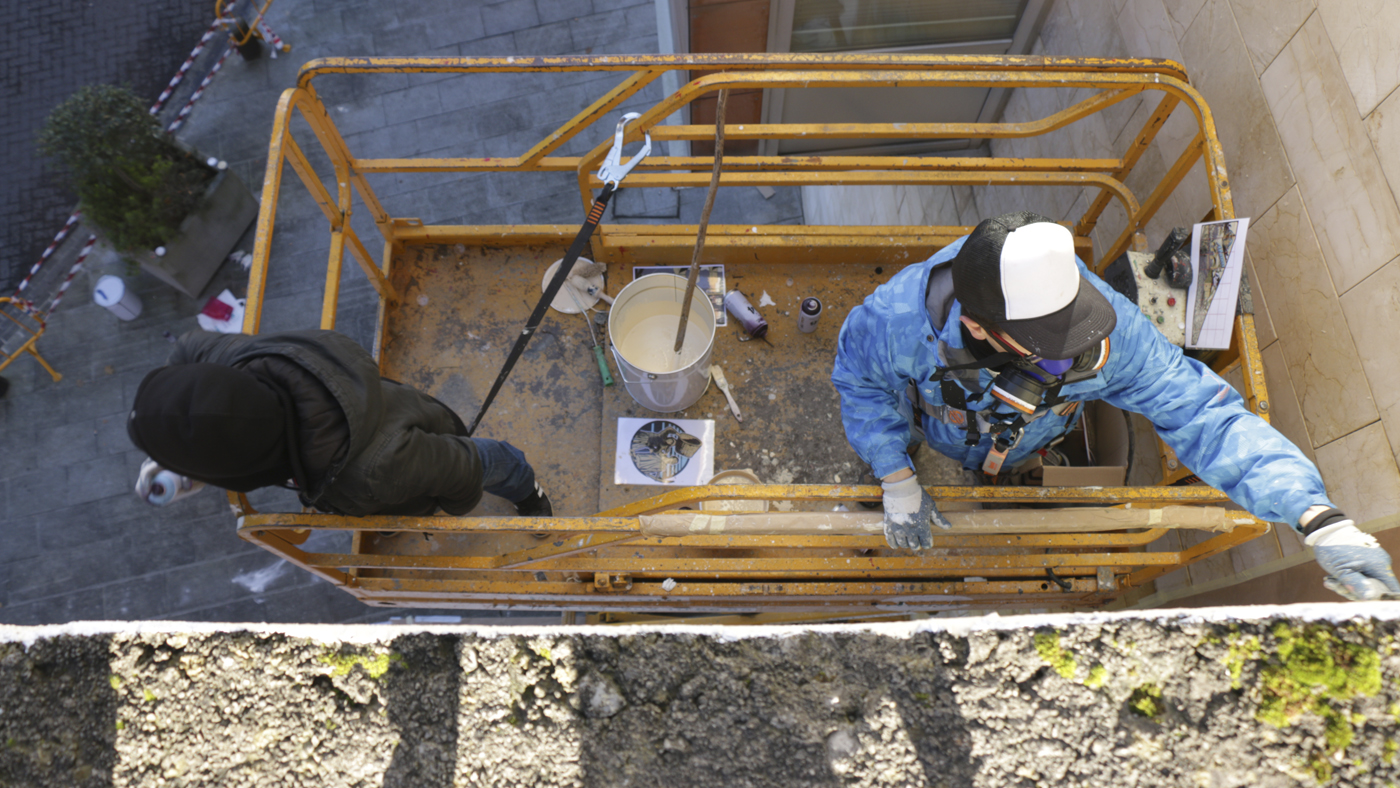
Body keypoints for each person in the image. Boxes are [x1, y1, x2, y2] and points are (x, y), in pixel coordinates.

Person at [832, 210, 1398, 601]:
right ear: (979, 327)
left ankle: (1015, 466)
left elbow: (1202, 413)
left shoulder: (1111, 332)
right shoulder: (897, 325)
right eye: (1050, 350)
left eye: (1078, 332)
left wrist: (1319, 520)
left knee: (1016, 453)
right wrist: (897, 475)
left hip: (1031, 435)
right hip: (942, 425)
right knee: (903, 439)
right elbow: (860, 384)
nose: (1079, 357)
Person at [128, 328, 551, 518]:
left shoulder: (369, 471)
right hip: (386, 411)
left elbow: (463, 472)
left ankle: (527, 491)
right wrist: (181, 432)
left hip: (405, 453)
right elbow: (189, 349)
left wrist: (447, 509)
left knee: (491, 460)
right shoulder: (247, 363)